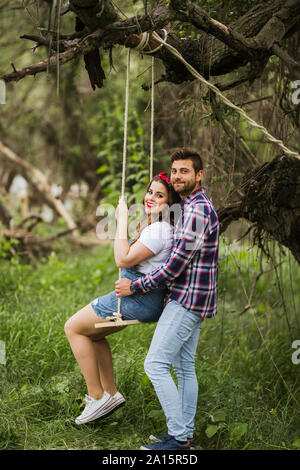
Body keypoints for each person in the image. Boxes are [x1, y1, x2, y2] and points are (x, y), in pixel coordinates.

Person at [115, 148, 219, 451]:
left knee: (155, 364)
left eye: (184, 171)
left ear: (199, 175)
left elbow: (176, 264)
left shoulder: (198, 210)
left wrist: (137, 286)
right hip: (192, 298)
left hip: (187, 300)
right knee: (184, 366)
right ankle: (184, 435)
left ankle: (177, 438)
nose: (177, 177)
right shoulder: (189, 206)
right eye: (174, 171)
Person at [64, 172, 180, 425]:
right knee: (94, 334)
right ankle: (111, 394)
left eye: (159, 195)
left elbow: (122, 259)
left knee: (73, 328)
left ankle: (96, 396)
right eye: (150, 192)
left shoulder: (159, 230)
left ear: (170, 204)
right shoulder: (156, 226)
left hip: (139, 299)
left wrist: (121, 220)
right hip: (142, 297)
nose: (151, 198)